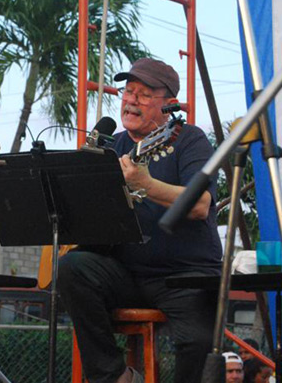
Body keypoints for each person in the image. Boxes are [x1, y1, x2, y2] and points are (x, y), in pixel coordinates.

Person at [57, 58, 222, 383]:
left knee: (197, 342)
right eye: (128, 91)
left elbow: (201, 204)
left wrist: (146, 184)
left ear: (168, 104)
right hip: (126, 273)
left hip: (183, 276)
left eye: (144, 94)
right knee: (72, 268)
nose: (131, 100)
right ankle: (115, 376)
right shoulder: (112, 145)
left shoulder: (189, 139)